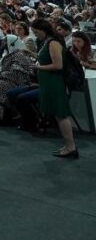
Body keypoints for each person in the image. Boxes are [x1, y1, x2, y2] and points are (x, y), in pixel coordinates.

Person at [32, 19, 77, 158]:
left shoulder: (53, 43)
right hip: (48, 82)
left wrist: (37, 67)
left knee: (61, 114)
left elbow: (58, 65)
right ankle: (69, 145)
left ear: (43, 29)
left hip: (54, 82)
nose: (35, 34)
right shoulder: (48, 42)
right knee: (59, 115)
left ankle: (71, 147)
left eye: (36, 32)